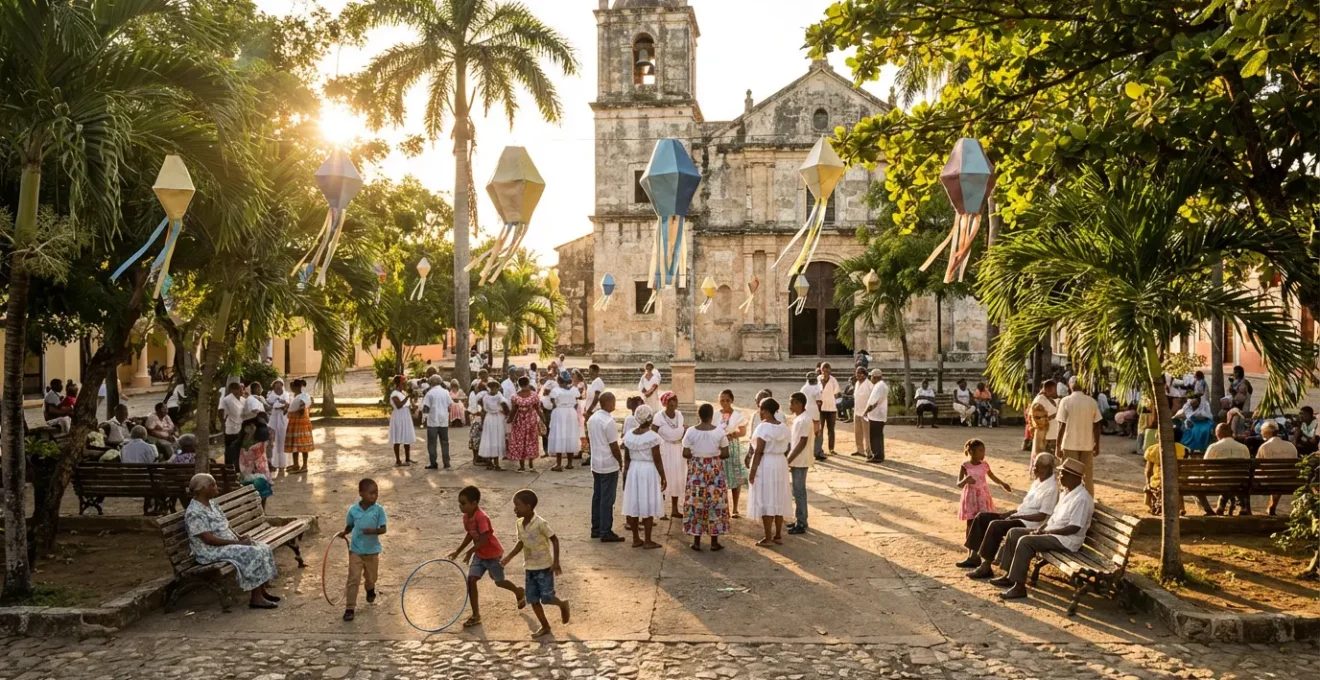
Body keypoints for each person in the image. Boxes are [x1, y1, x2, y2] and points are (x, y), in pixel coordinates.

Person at [988, 458, 1094, 600]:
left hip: (1067, 540)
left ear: (1075, 477)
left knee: (1026, 542)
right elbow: (1053, 517)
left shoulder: (1081, 498)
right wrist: (1042, 528)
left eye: (1063, 474)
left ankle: (1019, 587)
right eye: (1060, 473)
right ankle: (1009, 576)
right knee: (1014, 532)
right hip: (1053, 533)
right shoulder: (1066, 492)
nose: (1059, 476)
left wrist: (1047, 532)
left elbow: (1074, 528)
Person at [184, 473, 281, 609]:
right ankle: (256, 598)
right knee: (252, 552)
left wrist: (238, 537)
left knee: (263, 547)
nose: (216, 487)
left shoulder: (211, 503)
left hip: (226, 543)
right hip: (209, 551)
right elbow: (209, 539)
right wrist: (237, 543)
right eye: (213, 485)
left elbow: (225, 524)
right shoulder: (194, 512)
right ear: (203, 489)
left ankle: (262, 591)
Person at [964, 454, 1060, 576]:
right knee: (981, 517)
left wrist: (1019, 516)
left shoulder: (1051, 488)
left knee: (996, 525)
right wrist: (1010, 513)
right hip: (1020, 515)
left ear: (1046, 468)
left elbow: (1041, 516)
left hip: (1029, 523)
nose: (1033, 469)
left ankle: (986, 566)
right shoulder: (1038, 481)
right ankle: (973, 557)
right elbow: (1025, 505)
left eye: (1037, 467)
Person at [448, 486, 526, 628]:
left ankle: (518, 591)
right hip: (479, 555)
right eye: (460, 503)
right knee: (471, 580)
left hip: (492, 555)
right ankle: (476, 615)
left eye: (463, 503)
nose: (461, 506)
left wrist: (471, 551)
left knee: (499, 582)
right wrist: (458, 551)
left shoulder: (481, 517)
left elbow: (484, 537)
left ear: (474, 503)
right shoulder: (466, 517)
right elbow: (470, 534)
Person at [501, 490, 570, 638]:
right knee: (532, 599)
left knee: (547, 597)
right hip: (530, 567)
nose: (514, 509)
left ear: (528, 506)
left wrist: (556, 561)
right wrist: (509, 557)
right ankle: (545, 626)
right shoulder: (519, 523)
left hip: (545, 567)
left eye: (517, 506)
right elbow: (521, 543)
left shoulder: (540, 523)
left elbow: (554, 539)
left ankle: (562, 604)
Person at [681, 403, 730, 550]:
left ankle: (696, 541)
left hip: (697, 468)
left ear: (698, 414)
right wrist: (713, 454)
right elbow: (726, 453)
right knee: (715, 502)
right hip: (714, 468)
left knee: (697, 501)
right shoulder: (719, 432)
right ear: (711, 415)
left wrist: (698, 453)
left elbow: (685, 453)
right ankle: (714, 541)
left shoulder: (691, 431)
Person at [336, 478, 386, 622]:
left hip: (372, 551)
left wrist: (374, 531)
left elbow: (384, 529)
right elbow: (350, 525)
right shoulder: (353, 510)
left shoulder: (379, 510)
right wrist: (344, 533)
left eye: (376, 493)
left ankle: (370, 588)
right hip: (356, 550)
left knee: (371, 577)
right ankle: (350, 608)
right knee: (353, 578)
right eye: (371, 493)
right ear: (361, 493)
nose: (374, 496)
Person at [748, 398, 793, 547]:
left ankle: (768, 537)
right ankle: (778, 534)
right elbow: (787, 447)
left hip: (766, 463)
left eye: (761, 409)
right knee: (778, 496)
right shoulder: (784, 428)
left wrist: (752, 471)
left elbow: (759, 451)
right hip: (780, 462)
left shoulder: (763, 428)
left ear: (766, 411)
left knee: (767, 497)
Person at [622, 405, 666, 548]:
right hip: (648, 470)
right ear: (650, 419)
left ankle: (636, 538)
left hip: (633, 470)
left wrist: (625, 475)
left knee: (634, 502)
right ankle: (647, 540)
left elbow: (627, 458)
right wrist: (663, 476)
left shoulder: (629, 435)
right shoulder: (653, 437)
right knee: (647, 502)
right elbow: (657, 459)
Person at [585, 392, 625, 542]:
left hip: (596, 462)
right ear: (607, 403)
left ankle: (596, 528)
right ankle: (605, 530)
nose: (614, 405)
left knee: (598, 496)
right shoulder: (608, 422)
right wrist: (620, 462)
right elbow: (614, 446)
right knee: (607, 499)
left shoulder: (593, 418)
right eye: (613, 402)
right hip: (608, 463)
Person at [1055, 377, 1102, 495]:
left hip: (1069, 444)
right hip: (1087, 444)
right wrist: (1097, 444)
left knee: (1068, 475)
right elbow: (1097, 425)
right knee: (1087, 477)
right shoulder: (1091, 401)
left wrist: (1058, 445)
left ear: (1070, 385)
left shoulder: (1065, 401)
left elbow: (1061, 425)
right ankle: (1088, 502)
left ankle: (1067, 499)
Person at [957, 439, 1012, 537]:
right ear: (971, 452)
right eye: (980, 451)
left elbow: (992, 476)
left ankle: (980, 542)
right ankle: (969, 544)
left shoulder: (984, 464)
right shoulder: (965, 466)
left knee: (983, 519)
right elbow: (959, 484)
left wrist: (1003, 484)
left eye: (984, 450)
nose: (983, 453)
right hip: (971, 497)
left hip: (983, 495)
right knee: (971, 521)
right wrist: (966, 480)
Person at [1204, 423, 1251, 514]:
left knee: (1225, 480)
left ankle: (1221, 504)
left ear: (1218, 434)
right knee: (1235, 480)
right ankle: (1241, 505)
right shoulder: (1243, 447)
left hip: (1217, 481)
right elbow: (1247, 467)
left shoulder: (1213, 447)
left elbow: (1205, 466)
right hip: (1239, 482)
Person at [716, 390, 749, 518]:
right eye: (722, 400)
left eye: (727, 400)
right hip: (718, 447)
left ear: (732, 401)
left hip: (732, 446)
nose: (724, 403)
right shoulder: (715, 415)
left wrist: (732, 434)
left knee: (735, 477)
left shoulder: (737, 415)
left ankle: (735, 508)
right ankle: (722, 507)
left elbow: (743, 431)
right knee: (720, 477)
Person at [786, 392, 814, 535]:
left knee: (799, 491)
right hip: (798, 460)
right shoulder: (799, 418)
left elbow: (802, 442)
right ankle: (800, 519)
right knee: (797, 491)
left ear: (799, 404)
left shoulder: (804, 420)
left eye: (792, 403)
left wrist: (789, 459)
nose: (790, 406)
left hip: (801, 460)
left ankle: (801, 522)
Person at [655, 392, 687, 518]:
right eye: (671, 401)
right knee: (665, 477)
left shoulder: (679, 415)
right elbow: (653, 432)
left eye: (675, 400)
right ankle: (661, 510)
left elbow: (682, 429)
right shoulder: (659, 416)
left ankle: (674, 509)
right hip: (665, 449)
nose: (674, 403)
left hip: (678, 449)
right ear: (665, 403)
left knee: (677, 478)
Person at [1257, 420, 1299, 515]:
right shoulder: (1290, 446)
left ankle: (1271, 506)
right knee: (1280, 476)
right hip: (1287, 480)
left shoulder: (1264, 447)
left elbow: (1258, 466)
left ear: (1266, 433)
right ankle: (1273, 505)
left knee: (1271, 475)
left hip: (1269, 480)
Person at [545, 371, 581, 471]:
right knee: (570, 435)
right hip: (571, 413)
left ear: (559, 380)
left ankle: (559, 464)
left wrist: (557, 405)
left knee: (559, 435)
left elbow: (552, 402)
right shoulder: (573, 390)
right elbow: (577, 399)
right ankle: (569, 463)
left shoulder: (556, 390)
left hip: (560, 413)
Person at [1143, 438, 1188, 515]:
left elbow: (1148, 470)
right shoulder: (1183, 449)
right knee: (1177, 483)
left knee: (1153, 482)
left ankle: (1152, 506)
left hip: (1159, 480)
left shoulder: (1153, 449)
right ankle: (1181, 507)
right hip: (1179, 480)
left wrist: (1147, 481)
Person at [506, 376, 541, 472]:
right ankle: (531, 462)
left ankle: (522, 465)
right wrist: (543, 419)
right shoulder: (534, 396)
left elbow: (513, 410)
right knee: (531, 440)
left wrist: (509, 419)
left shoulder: (515, 397)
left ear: (519, 384)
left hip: (519, 421)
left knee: (520, 441)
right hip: (531, 420)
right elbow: (538, 408)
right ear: (528, 383)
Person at [238, 418, 274, 507]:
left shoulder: (259, 438)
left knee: (259, 490)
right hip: (251, 470)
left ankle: (260, 510)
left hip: (256, 469)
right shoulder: (244, 438)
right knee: (258, 491)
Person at [421, 375, 454, 469]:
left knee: (432, 443)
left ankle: (433, 462)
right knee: (445, 442)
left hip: (433, 420)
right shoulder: (445, 392)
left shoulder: (430, 393)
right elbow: (449, 405)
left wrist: (423, 419)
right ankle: (446, 463)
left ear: (430, 383)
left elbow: (426, 407)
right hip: (443, 420)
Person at [478, 381, 510, 470]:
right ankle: (495, 464)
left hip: (489, 418)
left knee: (489, 439)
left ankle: (490, 462)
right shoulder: (499, 396)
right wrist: (506, 414)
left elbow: (483, 407)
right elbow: (505, 405)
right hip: (497, 418)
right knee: (496, 439)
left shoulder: (485, 397)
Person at [285, 379, 314, 473]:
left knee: (302, 444)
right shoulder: (300, 396)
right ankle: (296, 464)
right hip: (297, 422)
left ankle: (305, 465)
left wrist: (300, 409)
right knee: (295, 444)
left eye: (292, 387)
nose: (291, 389)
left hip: (300, 423)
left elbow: (302, 406)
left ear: (296, 387)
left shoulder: (302, 397)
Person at [1029, 380, 1060, 465]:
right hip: (1045, 436)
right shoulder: (1039, 400)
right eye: (1054, 390)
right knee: (1044, 460)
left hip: (1055, 435)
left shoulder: (1053, 399)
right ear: (1048, 389)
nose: (1055, 392)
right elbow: (1037, 419)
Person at [386, 375, 415, 466]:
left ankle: (407, 459)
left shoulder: (402, 393)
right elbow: (398, 406)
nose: (405, 384)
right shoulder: (394, 394)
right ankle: (398, 461)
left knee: (406, 436)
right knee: (397, 437)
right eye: (403, 383)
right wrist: (407, 398)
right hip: (398, 417)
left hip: (405, 416)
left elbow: (405, 405)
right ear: (399, 384)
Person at [861, 369, 889, 463]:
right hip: (879, 414)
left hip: (876, 415)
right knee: (878, 435)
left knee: (875, 436)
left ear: (875, 377)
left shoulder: (879, 386)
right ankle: (879, 454)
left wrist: (865, 411)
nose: (870, 378)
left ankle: (877, 455)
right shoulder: (881, 385)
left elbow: (873, 403)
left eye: (871, 377)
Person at [218, 382, 246, 468]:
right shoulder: (227, 399)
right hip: (231, 428)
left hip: (241, 427)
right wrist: (222, 423)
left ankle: (239, 468)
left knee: (240, 450)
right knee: (230, 449)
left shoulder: (243, 400)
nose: (242, 390)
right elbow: (220, 411)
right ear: (234, 390)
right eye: (240, 388)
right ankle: (229, 468)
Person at [265, 380, 290, 471]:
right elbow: (269, 404)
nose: (278, 386)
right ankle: (272, 462)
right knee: (272, 440)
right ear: (273, 386)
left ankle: (283, 463)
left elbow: (287, 404)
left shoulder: (286, 394)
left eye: (280, 385)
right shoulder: (270, 394)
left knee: (282, 439)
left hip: (283, 418)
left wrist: (284, 405)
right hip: (274, 418)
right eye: (276, 385)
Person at [800, 372, 825, 462]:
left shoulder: (803, 388)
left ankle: (805, 452)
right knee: (817, 433)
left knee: (806, 433)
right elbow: (819, 402)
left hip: (805, 413)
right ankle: (818, 452)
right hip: (814, 413)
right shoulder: (817, 388)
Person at [817, 362, 841, 455]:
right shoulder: (818, 379)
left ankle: (831, 448)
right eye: (824, 369)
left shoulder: (833, 380)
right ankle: (819, 448)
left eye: (827, 369)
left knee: (831, 429)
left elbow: (837, 391)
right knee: (820, 429)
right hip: (821, 408)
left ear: (830, 370)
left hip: (831, 408)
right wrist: (822, 383)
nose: (825, 371)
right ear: (821, 370)